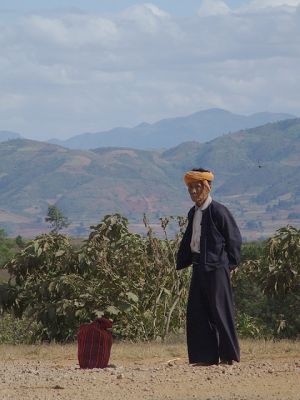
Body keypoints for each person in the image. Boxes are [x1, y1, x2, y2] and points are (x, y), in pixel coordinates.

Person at [176, 168, 242, 366]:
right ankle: (205, 357)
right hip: (198, 267)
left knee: (221, 312)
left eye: (197, 187)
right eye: (190, 188)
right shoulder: (193, 212)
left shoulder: (219, 211)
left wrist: (228, 265)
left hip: (217, 269)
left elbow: (234, 239)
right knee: (198, 312)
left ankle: (229, 357)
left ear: (207, 186)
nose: (193, 192)